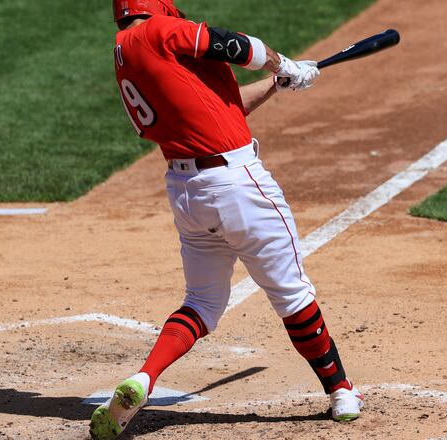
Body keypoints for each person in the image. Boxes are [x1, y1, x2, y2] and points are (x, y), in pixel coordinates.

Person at [90, 1, 364, 438]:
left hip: (187, 194)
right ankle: (342, 392)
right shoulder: (160, 31)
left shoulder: (126, 52)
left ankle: (143, 379)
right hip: (238, 187)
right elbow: (240, 46)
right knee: (292, 294)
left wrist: (278, 82)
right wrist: (282, 61)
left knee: (201, 302)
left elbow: (226, 107)